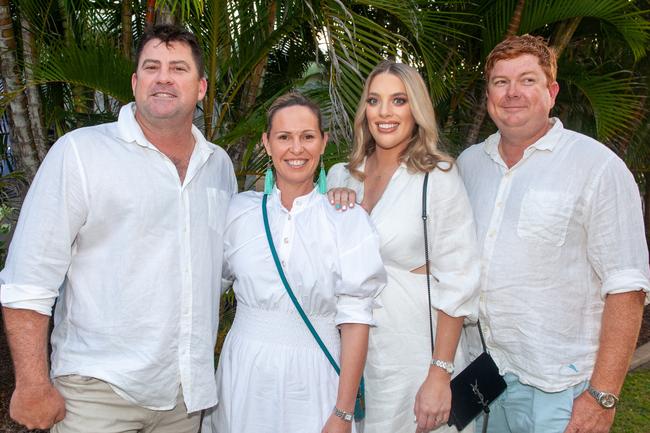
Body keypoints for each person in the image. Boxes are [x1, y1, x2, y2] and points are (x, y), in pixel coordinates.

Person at [0, 24, 236, 433]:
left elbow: (229, 268)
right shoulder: (80, 153)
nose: (163, 77)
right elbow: (28, 280)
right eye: (152, 67)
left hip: (185, 397)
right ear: (135, 82)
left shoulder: (219, 167)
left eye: (178, 68)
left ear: (200, 87)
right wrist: (33, 384)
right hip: (96, 394)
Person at [457, 34, 650, 433]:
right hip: (482, 375)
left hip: (560, 387)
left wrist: (602, 395)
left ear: (552, 92)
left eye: (528, 80)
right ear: (488, 92)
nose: (512, 93)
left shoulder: (597, 168)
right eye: (500, 82)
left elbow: (627, 288)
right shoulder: (469, 165)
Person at [201, 92, 386, 433]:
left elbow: (357, 321)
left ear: (323, 143)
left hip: (316, 377)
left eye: (307, 137)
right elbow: (205, 283)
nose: (296, 148)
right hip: (244, 373)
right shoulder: (238, 212)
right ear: (267, 144)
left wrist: (343, 413)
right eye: (284, 137)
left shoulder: (347, 220)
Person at [327, 61, 480, 433]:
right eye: (374, 100)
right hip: (351, 351)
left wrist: (440, 374)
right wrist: (331, 208)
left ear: (416, 109)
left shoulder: (438, 177)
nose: (384, 112)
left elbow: (459, 279)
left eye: (398, 100)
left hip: (415, 350)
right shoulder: (340, 176)